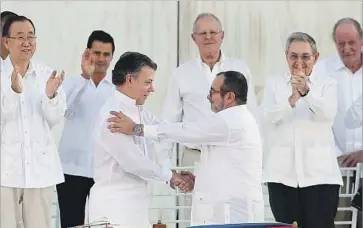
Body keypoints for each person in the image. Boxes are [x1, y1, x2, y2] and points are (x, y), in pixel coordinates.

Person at [107, 70, 265, 226]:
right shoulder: (234, 120)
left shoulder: (229, 121)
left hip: (233, 215)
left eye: (212, 91)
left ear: (230, 96)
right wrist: (199, 182)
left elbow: (185, 131)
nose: (208, 96)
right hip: (227, 211)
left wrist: (137, 129)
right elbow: (227, 169)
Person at [159, 13, 259, 225]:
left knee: (233, 217)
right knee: (195, 218)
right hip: (194, 158)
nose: (208, 37)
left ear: (222, 35)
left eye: (213, 32)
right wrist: (167, 167)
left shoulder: (240, 69)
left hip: (233, 158)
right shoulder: (181, 74)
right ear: (193, 38)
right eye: (202, 33)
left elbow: (254, 117)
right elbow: (168, 121)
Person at [88, 51, 191, 228]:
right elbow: (134, 162)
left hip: (135, 208)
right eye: (148, 82)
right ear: (130, 80)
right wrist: (171, 176)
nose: (153, 89)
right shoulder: (112, 114)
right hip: (113, 209)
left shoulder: (140, 111)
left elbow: (163, 130)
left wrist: (199, 134)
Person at [260, 32, 343, 228]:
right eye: (293, 56)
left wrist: (307, 92)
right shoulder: (274, 83)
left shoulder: (328, 84)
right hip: (282, 177)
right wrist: (291, 99)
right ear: (286, 57)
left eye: (305, 56)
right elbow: (267, 117)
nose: (299, 62)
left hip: (320, 177)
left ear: (316, 57)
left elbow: (328, 113)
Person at [0, 15, 66, 228]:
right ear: (6, 42)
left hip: (39, 172)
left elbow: (55, 119)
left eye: (31, 36)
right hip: (5, 173)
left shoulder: (46, 74)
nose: (27, 42)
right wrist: (12, 93)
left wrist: (50, 95)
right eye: (20, 37)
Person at [56, 30, 115, 228]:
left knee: (104, 224)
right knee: (71, 224)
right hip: (72, 169)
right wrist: (84, 77)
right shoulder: (71, 83)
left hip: (105, 171)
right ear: (87, 53)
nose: (101, 59)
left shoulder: (117, 89)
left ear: (111, 57)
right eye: (96, 53)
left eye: (106, 54)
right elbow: (65, 111)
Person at [317, 17, 362, 227]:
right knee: (340, 221)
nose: (346, 48)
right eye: (340, 43)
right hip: (337, 166)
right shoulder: (322, 71)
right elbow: (316, 116)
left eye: (351, 42)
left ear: (361, 40)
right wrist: (334, 154)